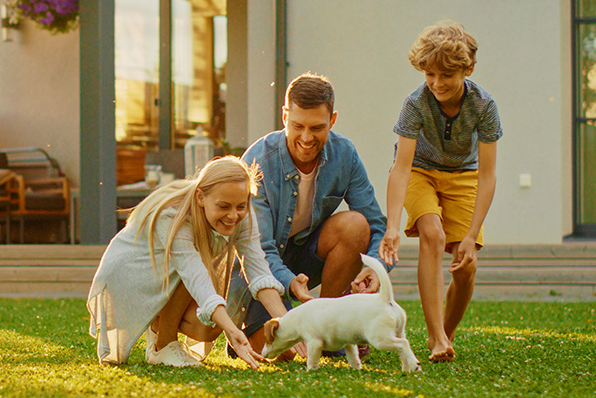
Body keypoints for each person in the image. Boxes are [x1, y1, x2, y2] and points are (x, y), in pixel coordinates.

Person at [232, 73, 388, 354]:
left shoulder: (345, 155)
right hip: (258, 266)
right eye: (297, 126)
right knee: (283, 352)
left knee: (355, 224)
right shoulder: (257, 161)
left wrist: (376, 269)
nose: (306, 138)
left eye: (317, 127)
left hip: (305, 255)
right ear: (284, 117)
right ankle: (255, 331)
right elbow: (259, 250)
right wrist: (289, 284)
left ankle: (329, 330)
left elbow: (376, 224)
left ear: (333, 120)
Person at [87, 156, 291, 369]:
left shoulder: (242, 214)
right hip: (131, 275)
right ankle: (162, 345)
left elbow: (259, 272)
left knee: (207, 328)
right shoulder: (174, 216)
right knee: (198, 282)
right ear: (201, 197)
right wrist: (233, 330)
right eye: (223, 206)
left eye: (241, 205)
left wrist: (291, 327)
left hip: (169, 274)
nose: (233, 215)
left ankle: (158, 329)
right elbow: (194, 276)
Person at [380, 21, 502, 362]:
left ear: (469, 68)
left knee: (465, 266)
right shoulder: (416, 103)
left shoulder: (483, 106)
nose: (436, 83)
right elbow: (401, 167)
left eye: (446, 75)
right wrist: (392, 227)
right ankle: (435, 338)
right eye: (429, 74)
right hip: (420, 170)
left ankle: (445, 336)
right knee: (431, 233)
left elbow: (489, 174)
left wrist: (472, 234)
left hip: (464, 174)